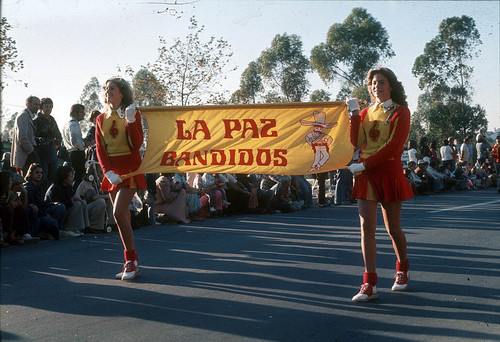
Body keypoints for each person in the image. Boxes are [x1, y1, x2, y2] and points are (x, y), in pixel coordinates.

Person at [346, 67, 413, 302]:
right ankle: (369, 283)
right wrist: (354, 114)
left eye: (381, 82)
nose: (377, 86)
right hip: (366, 174)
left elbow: (394, 147)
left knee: (393, 228)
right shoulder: (366, 112)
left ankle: (402, 270)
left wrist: (364, 165)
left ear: (391, 85)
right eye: (373, 83)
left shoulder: (401, 112)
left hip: (387, 172)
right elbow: (357, 141)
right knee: (367, 228)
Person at [95, 77, 146, 281]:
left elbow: (137, 144)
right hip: (112, 171)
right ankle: (133, 262)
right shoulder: (100, 119)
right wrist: (107, 171)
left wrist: (131, 121)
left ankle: (130, 260)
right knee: (122, 216)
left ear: (122, 93)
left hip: (131, 168)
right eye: (107, 90)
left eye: (112, 89)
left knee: (117, 212)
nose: (108, 93)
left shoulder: (132, 113)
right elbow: (100, 149)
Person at [24, 163, 65, 240]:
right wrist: (45, 214)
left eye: (41, 173)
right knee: (52, 221)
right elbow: (32, 206)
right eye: (37, 172)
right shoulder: (28, 188)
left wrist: (53, 204)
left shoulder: (38, 187)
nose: (39, 175)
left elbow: (42, 203)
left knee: (60, 207)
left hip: (41, 211)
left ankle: (57, 231)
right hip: (35, 215)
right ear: (31, 173)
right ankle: (43, 232)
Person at [45, 165, 87, 237]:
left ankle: (82, 227)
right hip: (54, 215)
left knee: (82, 202)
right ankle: (69, 228)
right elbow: (59, 206)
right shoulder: (54, 188)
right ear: (64, 178)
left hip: (65, 211)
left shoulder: (68, 187)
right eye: (70, 176)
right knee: (76, 204)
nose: (72, 178)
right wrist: (72, 200)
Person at [33, 97, 63, 188]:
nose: (48, 109)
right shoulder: (36, 121)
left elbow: (58, 135)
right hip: (41, 152)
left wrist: (57, 144)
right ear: (41, 107)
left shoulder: (52, 120)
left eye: (50, 107)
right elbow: (34, 137)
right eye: (46, 106)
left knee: (53, 176)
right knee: (42, 176)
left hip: (52, 152)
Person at [10, 96, 41, 176]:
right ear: (28, 104)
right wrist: (32, 151)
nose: (37, 107)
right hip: (26, 155)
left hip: (28, 153)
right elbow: (22, 137)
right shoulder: (23, 115)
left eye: (38, 105)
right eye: (35, 104)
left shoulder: (28, 116)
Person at [62, 104, 88, 192]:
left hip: (71, 153)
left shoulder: (67, 124)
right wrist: (85, 143)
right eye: (81, 112)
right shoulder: (73, 125)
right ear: (75, 113)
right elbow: (75, 142)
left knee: (74, 177)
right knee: (78, 178)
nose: (84, 114)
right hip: (77, 154)